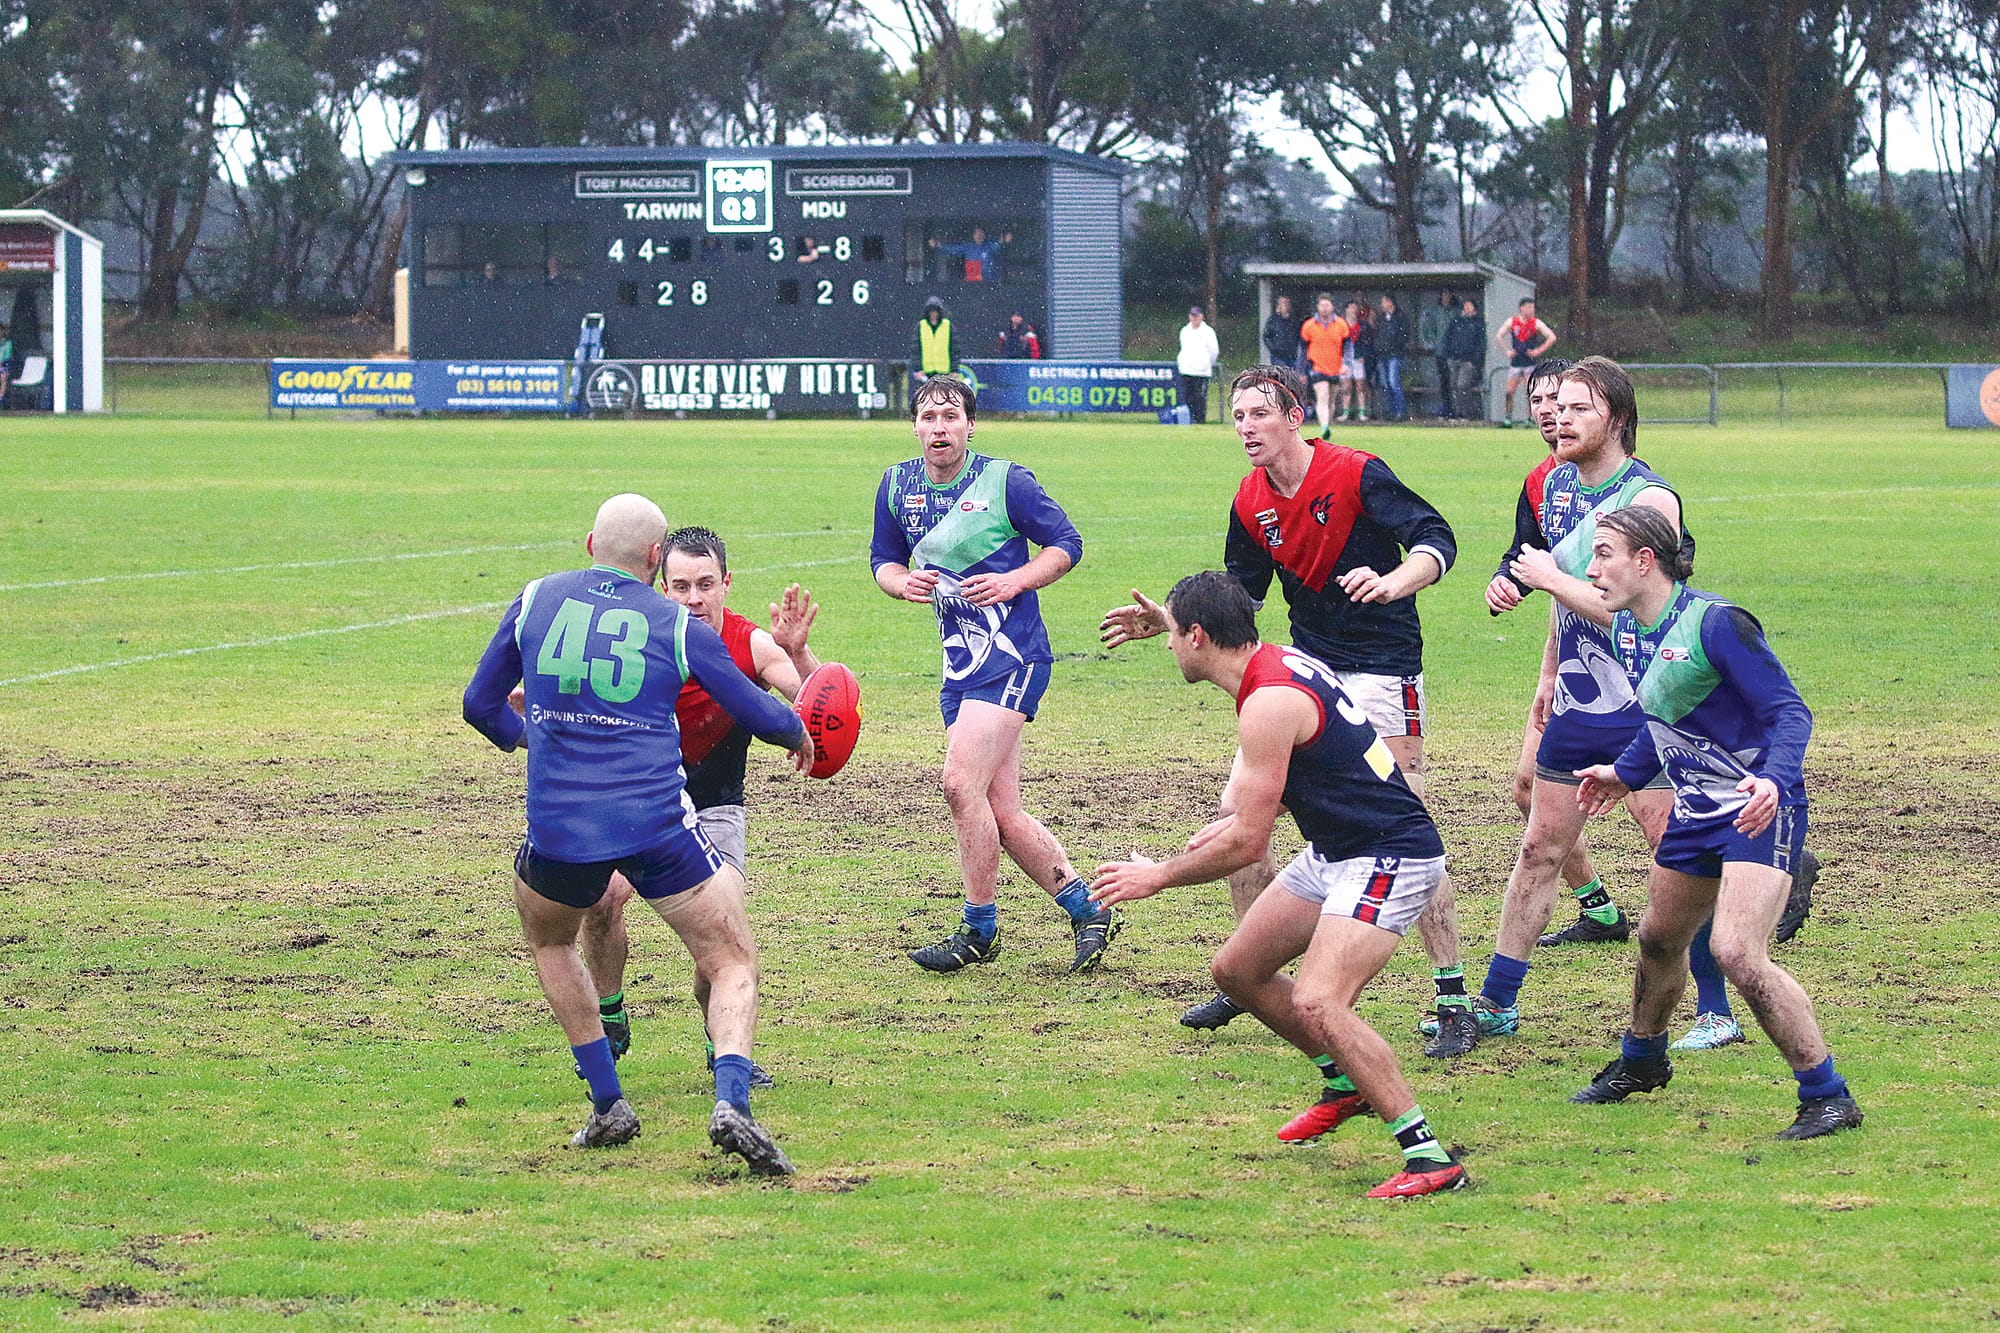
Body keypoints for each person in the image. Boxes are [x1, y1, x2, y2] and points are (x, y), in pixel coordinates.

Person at [1099, 365, 1470, 1047]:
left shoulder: (1356, 473)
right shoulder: (1250, 500)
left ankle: (1453, 997)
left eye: (1258, 414)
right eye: (1237, 416)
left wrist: (1392, 581)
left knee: (1402, 822)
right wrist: (1174, 620)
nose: (1245, 428)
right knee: (1239, 816)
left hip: (1385, 668)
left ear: (1293, 415)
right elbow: (1238, 604)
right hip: (1306, 672)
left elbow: (1437, 541)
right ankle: (1250, 970)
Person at [461, 494, 811, 1174]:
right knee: (731, 958)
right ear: (658, 560)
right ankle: (732, 1100)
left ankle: (608, 1102)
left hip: (559, 827)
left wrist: (530, 739)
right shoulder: (671, 623)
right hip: (655, 825)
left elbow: (479, 702)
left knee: (549, 939)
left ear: (590, 542)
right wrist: (797, 731)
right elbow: (757, 710)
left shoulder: (535, 599)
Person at [1091, 573, 1466, 1199]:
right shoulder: (1272, 662)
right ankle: (1344, 1082)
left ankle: (1429, 1159)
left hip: (1388, 857)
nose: (1167, 646)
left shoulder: (1269, 701)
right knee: (1239, 970)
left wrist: (1156, 876)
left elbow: (1249, 844)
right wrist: (1169, 618)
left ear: (1201, 637)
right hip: (1337, 851)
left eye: (1176, 635)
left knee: (1321, 1000)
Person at [1571, 506, 1862, 1141]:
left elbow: (1791, 712)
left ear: (1644, 561)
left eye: (1602, 554)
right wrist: (1625, 773)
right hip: (1696, 810)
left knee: (1735, 951)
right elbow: (1662, 716)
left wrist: (1774, 781)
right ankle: (1642, 1061)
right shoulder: (1627, 630)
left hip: (1759, 808)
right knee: (1656, 939)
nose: (1591, 571)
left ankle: (1827, 1095)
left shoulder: (1718, 623)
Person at [1447, 356, 1682, 1054]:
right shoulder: (1553, 486)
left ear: (1615, 416)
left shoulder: (1651, 499)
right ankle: (1497, 1002)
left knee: (1675, 858)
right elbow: (1560, 596)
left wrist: (1546, 575)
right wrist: (1550, 671)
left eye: (1577, 408)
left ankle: (1717, 1010)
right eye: (1554, 406)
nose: (1558, 418)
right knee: (1540, 845)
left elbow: (1643, 616)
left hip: (1648, 700)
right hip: (1580, 703)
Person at [553, 527, 822, 1089]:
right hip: (635, 802)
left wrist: (797, 651)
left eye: (705, 585)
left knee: (719, 936)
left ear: (726, 583)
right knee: (602, 900)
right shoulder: (635, 638)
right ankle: (609, 1012)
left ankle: (719, 1041)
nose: (693, 599)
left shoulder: (751, 645)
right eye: (679, 586)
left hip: (713, 807)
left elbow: (815, 709)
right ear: (660, 584)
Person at [869, 375, 1115, 974]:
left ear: (970, 426)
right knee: (999, 809)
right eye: (928, 417)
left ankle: (978, 928)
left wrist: (1014, 581)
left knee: (959, 785)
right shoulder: (897, 485)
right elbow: (883, 560)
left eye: (951, 416)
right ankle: (1088, 908)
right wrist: (902, 584)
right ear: (915, 427)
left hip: (1015, 655)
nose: (939, 427)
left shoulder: (1006, 480)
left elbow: (1066, 543)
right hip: (960, 667)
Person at [1496, 297, 1557, 427]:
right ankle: (1508, 419)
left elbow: (1551, 337)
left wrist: (1538, 351)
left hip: (1529, 363)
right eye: (1529, 307)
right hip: (1516, 362)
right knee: (1509, 392)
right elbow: (1499, 336)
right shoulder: (1513, 322)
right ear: (1522, 308)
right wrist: (1507, 350)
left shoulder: (1536, 323)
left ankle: (1530, 418)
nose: (1531, 310)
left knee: (1530, 392)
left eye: (1532, 307)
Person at [1297, 294, 1348, 439]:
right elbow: (1302, 350)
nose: (1325, 309)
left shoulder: (1341, 324)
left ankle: (1327, 424)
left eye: (1327, 305)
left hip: (1335, 368)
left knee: (1331, 400)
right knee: (1322, 395)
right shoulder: (1309, 326)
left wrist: (1346, 364)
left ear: (1332, 306)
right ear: (1318, 307)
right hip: (1317, 368)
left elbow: (1348, 347)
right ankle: (1324, 426)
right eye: (1322, 305)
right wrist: (1301, 370)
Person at [1441, 299, 1486, 421]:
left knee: (1462, 386)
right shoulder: (1456, 321)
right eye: (1465, 306)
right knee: (1453, 386)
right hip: (1453, 359)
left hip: (1468, 361)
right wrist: (1448, 355)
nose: (1467, 308)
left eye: (1469, 306)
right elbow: (1447, 338)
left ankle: (1466, 413)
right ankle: (1456, 412)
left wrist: (1475, 360)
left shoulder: (1478, 323)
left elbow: (1481, 343)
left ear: (1475, 308)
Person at [1177, 305, 1222, 424]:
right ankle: (1189, 419)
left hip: (1202, 371)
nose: (1194, 318)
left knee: (1200, 398)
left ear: (1201, 316)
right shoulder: (1185, 330)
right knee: (1189, 397)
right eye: (1192, 315)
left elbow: (1214, 351)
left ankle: (1200, 420)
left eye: (1196, 316)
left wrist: (1207, 363)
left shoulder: (1208, 332)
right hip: (1187, 370)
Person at [929, 226, 1011, 282]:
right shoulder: (968, 247)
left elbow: (999, 245)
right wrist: (938, 245)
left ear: (984, 235)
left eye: (981, 233)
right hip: (973, 284)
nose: (979, 236)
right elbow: (952, 249)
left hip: (990, 283)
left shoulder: (989, 246)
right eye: (977, 233)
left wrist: (1004, 240)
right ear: (973, 236)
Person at [1375, 294, 1410, 421]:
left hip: (1395, 355)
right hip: (1382, 355)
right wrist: (1380, 348)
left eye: (1383, 301)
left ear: (1390, 302)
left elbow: (1404, 336)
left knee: (1394, 382)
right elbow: (1377, 335)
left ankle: (1400, 411)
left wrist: (1393, 346)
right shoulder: (1381, 318)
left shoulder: (1400, 317)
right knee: (1385, 384)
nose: (1382, 304)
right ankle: (1391, 411)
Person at [1420, 293, 1454, 418]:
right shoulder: (1434, 312)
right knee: (1444, 382)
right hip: (1440, 353)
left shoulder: (1455, 312)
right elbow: (1426, 328)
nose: (1446, 297)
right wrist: (1432, 344)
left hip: (1454, 354)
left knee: (1454, 383)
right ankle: (1446, 408)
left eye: (1448, 294)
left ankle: (1453, 410)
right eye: (1444, 294)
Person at [911, 296, 955, 387]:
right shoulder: (921, 326)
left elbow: (954, 349)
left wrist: (954, 370)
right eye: (931, 312)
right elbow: (916, 350)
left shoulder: (947, 326)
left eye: (935, 312)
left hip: (944, 372)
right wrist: (918, 368)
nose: (933, 314)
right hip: (926, 373)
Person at [1339, 300, 1368, 422]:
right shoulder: (1340, 325)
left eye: (1354, 308)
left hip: (1358, 360)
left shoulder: (1362, 326)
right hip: (1344, 360)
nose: (1352, 311)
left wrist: (1363, 355)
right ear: (1346, 310)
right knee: (1346, 387)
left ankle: (1362, 412)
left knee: (1360, 386)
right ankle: (1346, 413)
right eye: (1350, 308)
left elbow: (1367, 343)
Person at [1262, 295, 1301, 371]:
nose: (1284, 306)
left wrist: (1296, 348)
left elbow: (1299, 335)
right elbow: (1266, 336)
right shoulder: (1273, 320)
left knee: (1293, 375)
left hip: (1292, 355)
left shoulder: (1294, 319)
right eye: (1282, 303)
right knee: (1281, 374)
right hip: (1278, 355)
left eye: (1286, 303)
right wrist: (1274, 348)